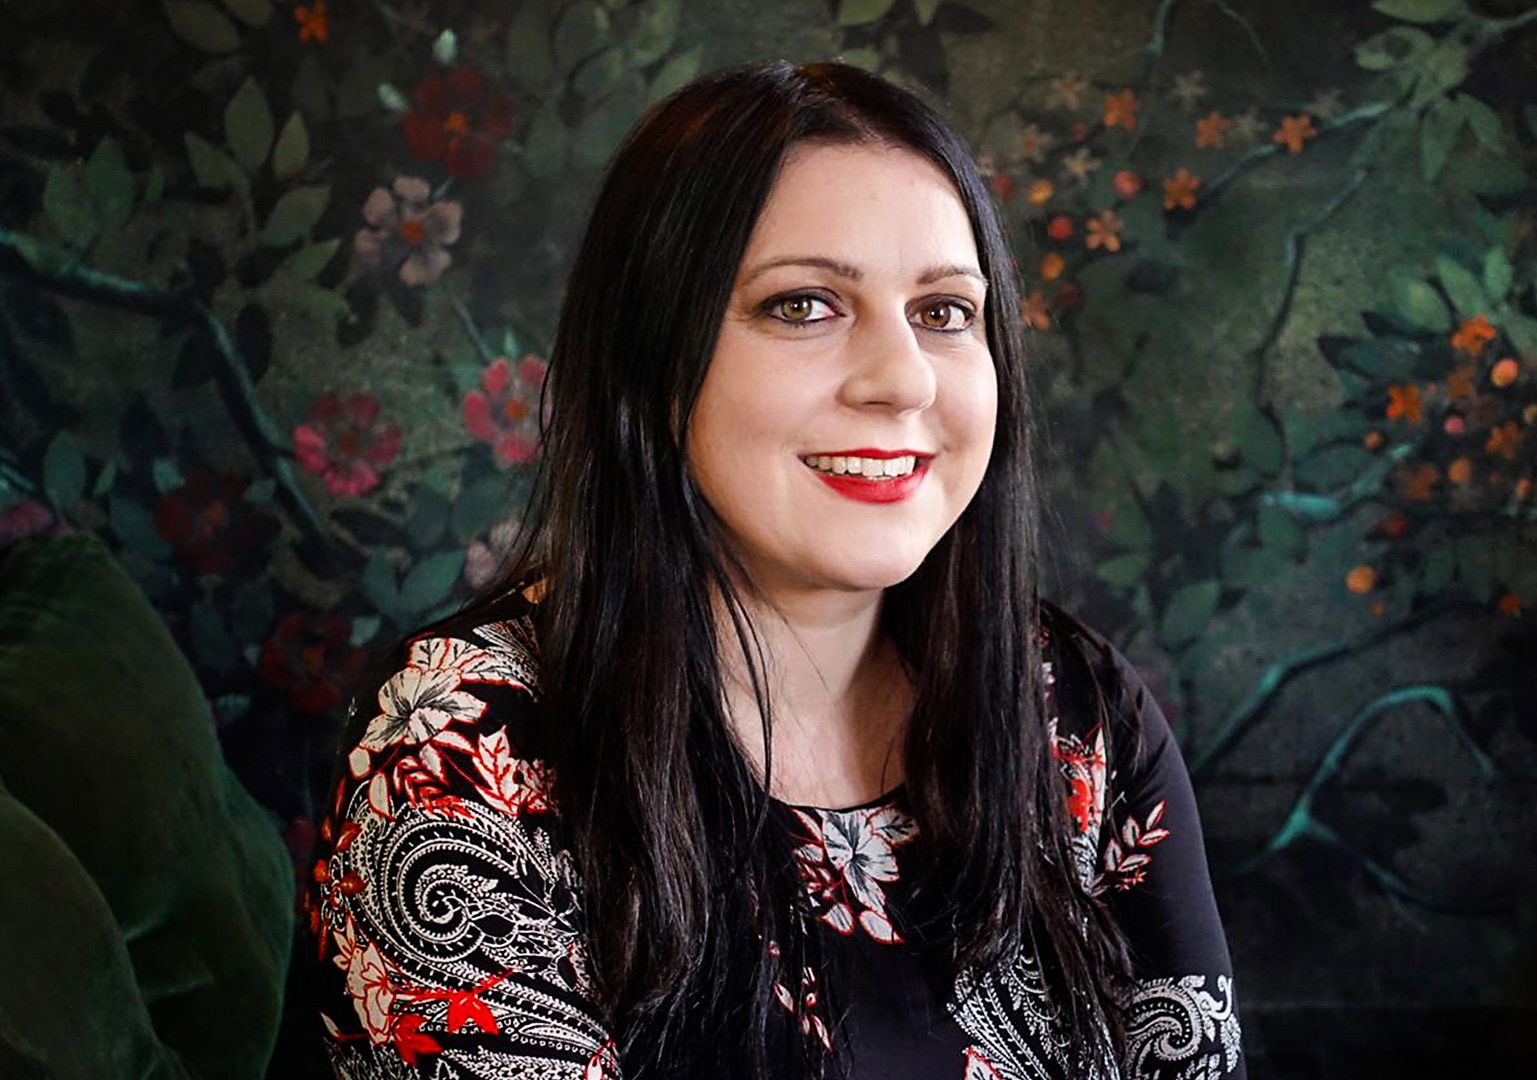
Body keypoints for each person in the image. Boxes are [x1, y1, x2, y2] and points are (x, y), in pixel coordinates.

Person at [302, 59, 1244, 1079]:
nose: (903, 380)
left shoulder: (1075, 712)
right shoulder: (458, 750)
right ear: (652, 359)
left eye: (943, 311)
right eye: (804, 305)